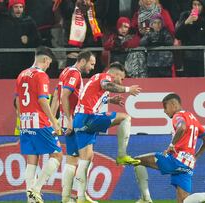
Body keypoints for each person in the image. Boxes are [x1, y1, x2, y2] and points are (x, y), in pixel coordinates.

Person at [133, 93, 205, 203]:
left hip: (177, 160)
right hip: (188, 163)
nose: (164, 111)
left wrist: (171, 145)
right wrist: (195, 157)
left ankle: (145, 198)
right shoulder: (193, 118)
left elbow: (181, 127)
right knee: (184, 201)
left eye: (165, 106)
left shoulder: (178, 116)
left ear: (173, 104)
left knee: (136, 160)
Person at [73, 62, 142, 203]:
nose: (121, 81)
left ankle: (80, 196)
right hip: (88, 117)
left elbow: (93, 95)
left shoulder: (95, 78)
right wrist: (127, 89)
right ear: (115, 74)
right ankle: (122, 155)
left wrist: (110, 99)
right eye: (121, 78)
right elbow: (106, 85)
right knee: (125, 118)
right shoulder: (105, 77)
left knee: (86, 158)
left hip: (79, 120)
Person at [15, 46, 62, 203]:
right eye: (49, 63)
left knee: (32, 160)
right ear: (45, 59)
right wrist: (54, 121)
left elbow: (17, 101)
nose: (49, 66)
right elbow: (43, 100)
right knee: (57, 154)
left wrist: (21, 119)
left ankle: (30, 200)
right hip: (39, 122)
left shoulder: (21, 74)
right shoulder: (41, 75)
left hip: (26, 122)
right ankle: (36, 189)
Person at [50, 50, 97, 203]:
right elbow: (63, 95)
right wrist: (70, 119)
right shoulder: (74, 73)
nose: (92, 68)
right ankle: (81, 195)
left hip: (67, 120)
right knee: (87, 156)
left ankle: (66, 197)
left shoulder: (65, 71)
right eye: (91, 64)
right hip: (74, 121)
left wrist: (54, 119)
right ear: (82, 61)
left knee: (72, 159)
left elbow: (57, 95)